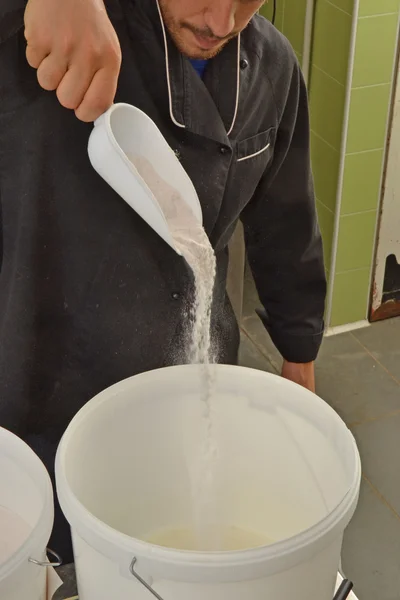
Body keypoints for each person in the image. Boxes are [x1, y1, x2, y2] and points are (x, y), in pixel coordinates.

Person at [0, 0, 326, 561]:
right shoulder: (62, 25)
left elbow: (285, 223)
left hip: (191, 377)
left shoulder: (272, 67)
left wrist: (299, 352)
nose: (221, 22)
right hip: (45, 374)